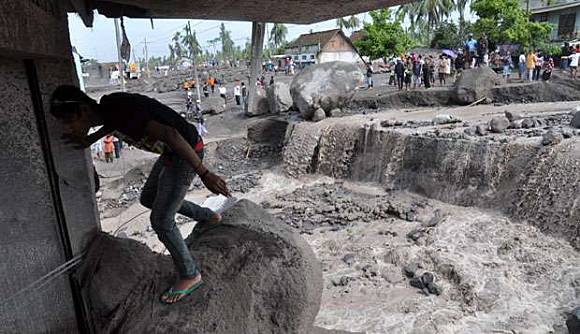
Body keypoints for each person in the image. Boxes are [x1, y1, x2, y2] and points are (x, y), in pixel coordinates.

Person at [50, 85, 230, 304]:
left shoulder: (118, 112)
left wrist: (204, 173)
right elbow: (112, 123)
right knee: (148, 198)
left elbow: (170, 134)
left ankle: (190, 274)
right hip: (170, 153)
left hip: (185, 151)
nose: (68, 128)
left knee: (161, 221)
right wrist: (89, 139)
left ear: (83, 111)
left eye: (69, 122)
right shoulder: (108, 107)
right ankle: (208, 216)